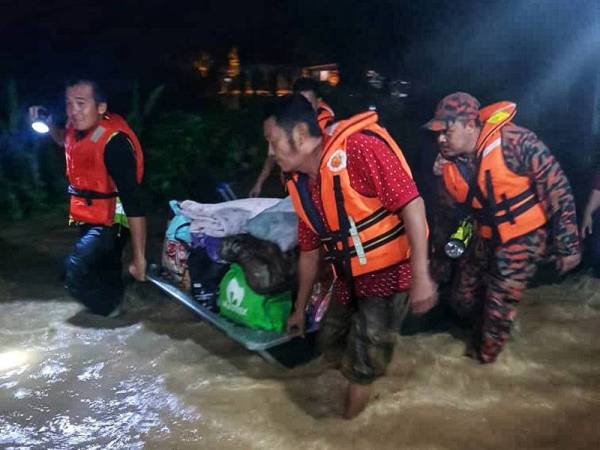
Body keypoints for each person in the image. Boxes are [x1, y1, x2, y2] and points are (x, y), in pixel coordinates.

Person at [263, 94, 437, 418]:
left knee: (362, 365)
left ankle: (347, 431)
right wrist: (299, 310)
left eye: (272, 142)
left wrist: (421, 275)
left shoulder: (358, 148)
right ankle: (364, 390)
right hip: (348, 276)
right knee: (329, 345)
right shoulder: (301, 184)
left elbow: (412, 203)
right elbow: (310, 253)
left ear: (300, 135)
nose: (270, 153)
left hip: (388, 273)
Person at [424, 92, 581, 363]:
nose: (440, 139)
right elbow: (444, 217)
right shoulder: (446, 167)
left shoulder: (515, 141)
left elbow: (557, 188)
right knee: (461, 299)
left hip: (523, 238)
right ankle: (486, 328)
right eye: (437, 133)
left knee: (494, 319)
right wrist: (439, 263)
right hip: (483, 235)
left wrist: (568, 245)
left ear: (470, 125)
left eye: (447, 132)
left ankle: (486, 356)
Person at [30, 79, 147, 316]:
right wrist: (49, 126)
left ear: (101, 107)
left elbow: (134, 204)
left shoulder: (115, 144)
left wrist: (139, 258)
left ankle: (110, 314)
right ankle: (119, 302)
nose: (73, 111)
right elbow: (65, 140)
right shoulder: (76, 128)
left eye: (81, 103)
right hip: (89, 212)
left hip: (115, 218)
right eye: (69, 104)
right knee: (104, 268)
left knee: (73, 270)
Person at [248, 77, 335, 197]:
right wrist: (259, 184)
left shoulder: (328, 129)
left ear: (318, 102)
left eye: (307, 103)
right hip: (293, 187)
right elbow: (271, 156)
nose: (301, 107)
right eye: (298, 102)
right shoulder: (282, 126)